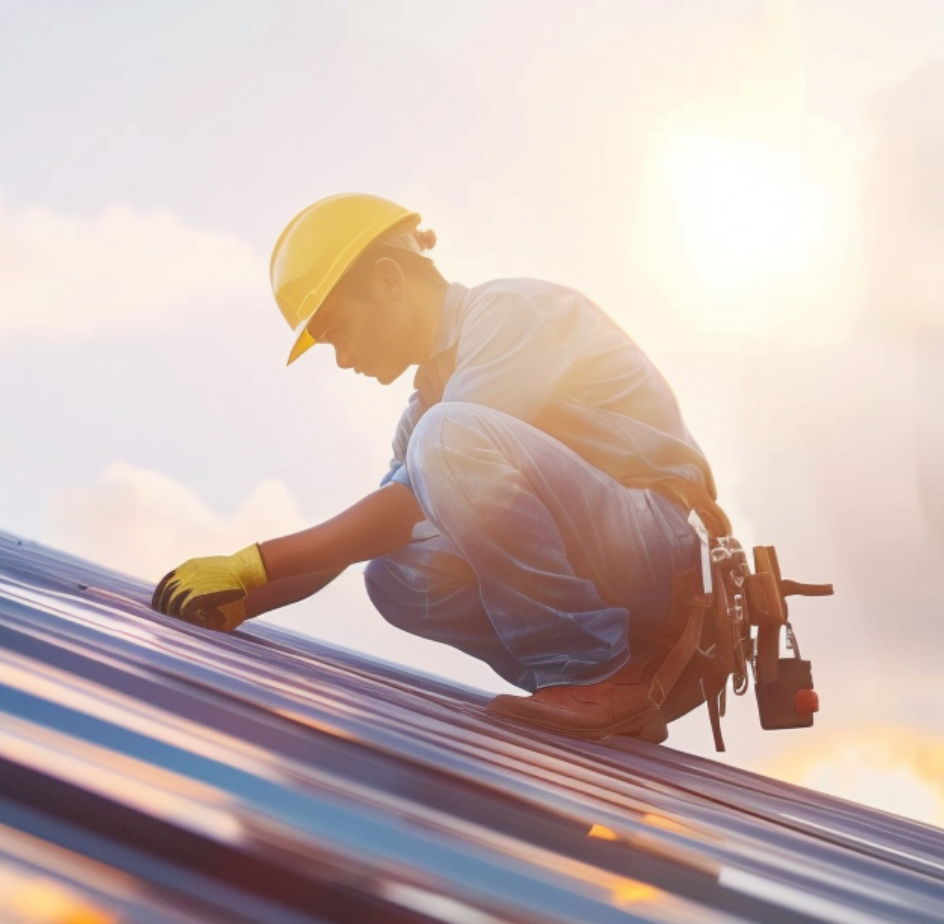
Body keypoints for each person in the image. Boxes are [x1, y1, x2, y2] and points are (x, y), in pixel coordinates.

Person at [151, 193, 719, 743]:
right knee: (397, 576)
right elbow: (372, 535)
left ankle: (591, 671)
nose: (343, 358)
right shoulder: (429, 404)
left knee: (443, 440)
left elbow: (408, 497)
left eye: (336, 330)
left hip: (664, 548)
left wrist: (254, 563)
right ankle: (622, 674)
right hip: (613, 564)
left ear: (390, 281)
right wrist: (240, 599)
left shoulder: (510, 314)